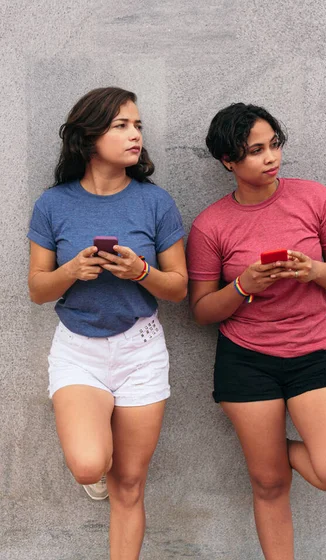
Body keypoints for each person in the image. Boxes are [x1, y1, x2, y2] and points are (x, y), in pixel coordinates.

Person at [186, 103, 326, 560]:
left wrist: (314, 271)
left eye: (275, 145)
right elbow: (203, 310)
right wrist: (244, 286)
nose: (271, 158)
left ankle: (273, 448)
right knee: (268, 484)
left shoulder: (314, 198)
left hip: (312, 355)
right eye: (255, 151)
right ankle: (268, 459)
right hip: (246, 361)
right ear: (228, 161)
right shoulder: (211, 225)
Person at [28, 87, 187, 560]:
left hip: (140, 348)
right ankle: (97, 471)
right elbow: (37, 290)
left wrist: (142, 272)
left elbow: (178, 287)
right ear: (88, 135)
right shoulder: (53, 204)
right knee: (88, 464)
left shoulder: (155, 202)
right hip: (79, 349)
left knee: (131, 484)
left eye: (137, 126)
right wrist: (70, 271)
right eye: (121, 125)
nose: (134, 134)